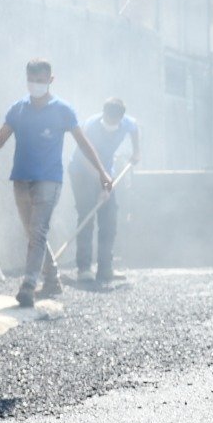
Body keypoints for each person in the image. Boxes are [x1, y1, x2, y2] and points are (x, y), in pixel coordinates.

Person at [0, 58, 111, 308]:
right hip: (21, 179)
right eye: (31, 80)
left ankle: (28, 284)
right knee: (33, 233)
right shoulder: (18, 109)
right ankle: (53, 278)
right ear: (26, 79)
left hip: (49, 180)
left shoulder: (63, 110)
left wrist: (102, 172)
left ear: (50, 80)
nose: (35, 84)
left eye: (40, 80)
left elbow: (83, 143)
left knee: (37, 232)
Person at [69, 97, 139, 286]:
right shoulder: (91, 126)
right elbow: (84, 157)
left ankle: (105, 268)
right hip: (82, 171)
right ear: (103, 113)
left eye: (113, 121)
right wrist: (101, 181)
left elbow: (135, 129)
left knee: (109, 218)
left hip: (106, 173)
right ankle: (84, 268)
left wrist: (136, 151)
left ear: (120, 118)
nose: (110, 124)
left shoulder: (126, 123)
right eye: (107, 119)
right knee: (86, 216)